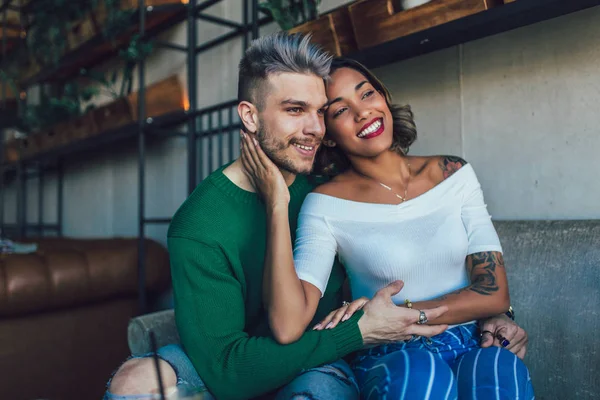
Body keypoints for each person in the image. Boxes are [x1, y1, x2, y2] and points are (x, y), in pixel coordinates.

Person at [104, 33, 529, 400]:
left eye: (319, 111)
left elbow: (423, 246)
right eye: (294, 110)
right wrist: (357, 331)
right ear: (250, 116)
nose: (315, 129)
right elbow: (228, 371)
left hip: (320, 357)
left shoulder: (325, 180)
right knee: (135, 382)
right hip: (266, 355)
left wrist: (493, 313)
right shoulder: (198, 226)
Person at [240, 56, 534, 399]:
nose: (362, 112)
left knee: (501, 368)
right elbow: (288, 325)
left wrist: (396, 312)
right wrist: (277, 203)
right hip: (392, 353)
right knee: (422, 375)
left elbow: (494, 292)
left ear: (384, 97)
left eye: (367, 94)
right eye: (339, 111)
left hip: (467, 337)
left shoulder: (453, 172)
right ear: (328, 135)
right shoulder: (324, 204)